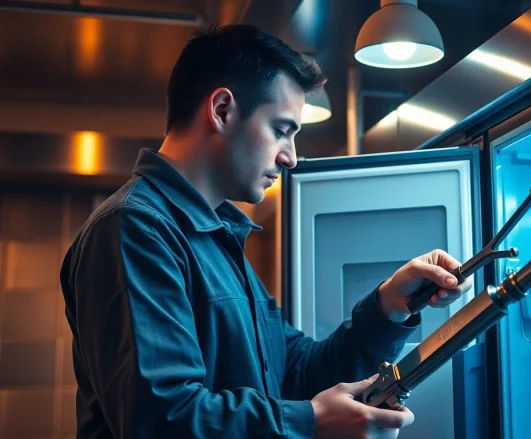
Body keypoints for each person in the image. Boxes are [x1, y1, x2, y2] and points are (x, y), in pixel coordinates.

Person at [59, 23, 471, 439]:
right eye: (281, 130)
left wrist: (389, 305)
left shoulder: (217, 238)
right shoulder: (134, 229)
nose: (290, 158)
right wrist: (310, 421)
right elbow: (161, 419)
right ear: (221, 110)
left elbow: (299, 373)